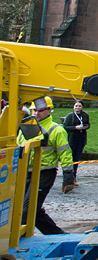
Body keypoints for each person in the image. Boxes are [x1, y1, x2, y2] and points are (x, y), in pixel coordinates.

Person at [18, 96, 75, 235]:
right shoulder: (25, 129)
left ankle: (19, 239)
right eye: (34, 110)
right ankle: (58, 235)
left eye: (40, 110)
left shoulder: (56, 130)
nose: (36, 113)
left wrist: (68, 179)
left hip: (44, 173)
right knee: (30, 210)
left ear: (49, 111)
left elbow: (65, 154)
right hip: (25, 172)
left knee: (27, 210)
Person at [62, 100, 89, 184]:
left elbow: (88, 124)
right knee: (70, 158)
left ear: (82, 107)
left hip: (81, 139)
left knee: (76, 159)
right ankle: (68, 178)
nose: (77, 108)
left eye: (79, 106)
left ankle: (74, 177)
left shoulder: (84, 115)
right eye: (76, 106)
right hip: (72, 139)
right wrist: (75, 128)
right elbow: (65, 126)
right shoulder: (70, 116)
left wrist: (85, 127)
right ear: (73, 107)